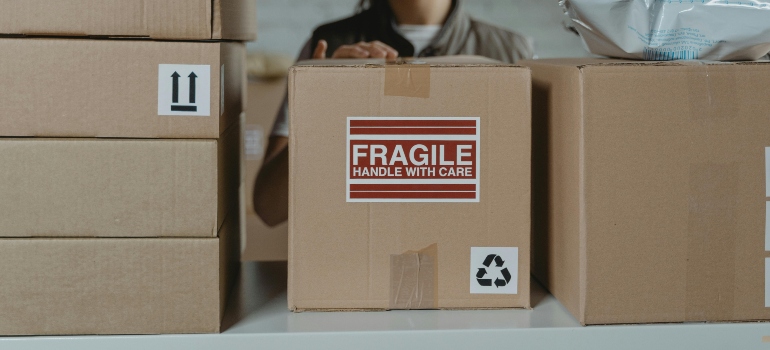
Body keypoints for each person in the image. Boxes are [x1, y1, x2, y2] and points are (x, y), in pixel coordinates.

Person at [253, 0, 534, 226]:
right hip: (357, 272)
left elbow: (532, 201)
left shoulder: (509, 53)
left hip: (467, 268)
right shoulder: (329, 44)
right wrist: (322, 111)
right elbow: (269, 207)